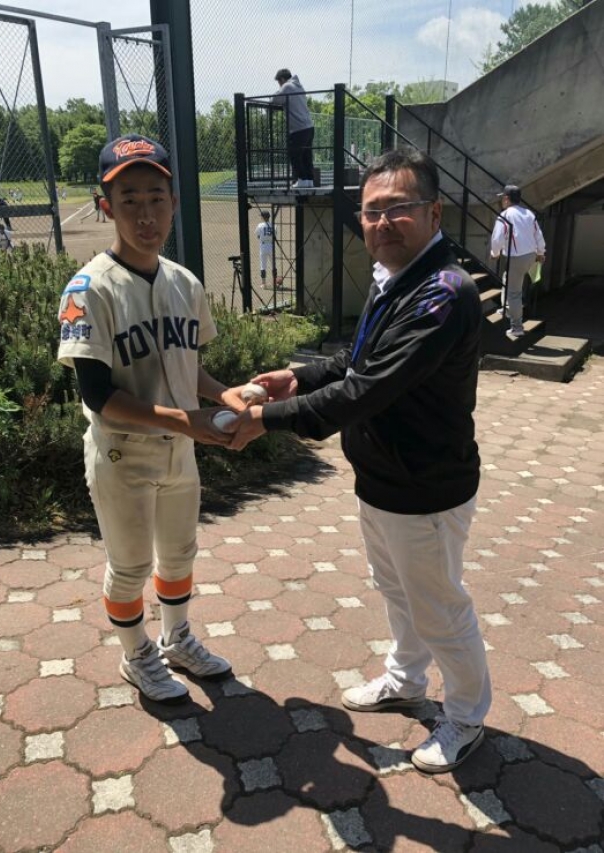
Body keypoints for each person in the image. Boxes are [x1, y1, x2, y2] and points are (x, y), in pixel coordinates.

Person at [226, 148, 492, 774]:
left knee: (439, 608)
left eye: (399, 208)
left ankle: (466, 716)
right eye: (371, 212)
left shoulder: (443, 293)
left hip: (426, 488)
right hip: (383, 480)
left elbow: (365, 391)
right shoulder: (394, 279)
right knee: (397, 591)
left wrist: (266, 419)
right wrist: (297, 376)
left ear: (434, 213)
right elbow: (357, 359)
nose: (382, 223)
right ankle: (406, 679)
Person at [57, 134, 248, 704]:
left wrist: (224, 394)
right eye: (130, 199)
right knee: (131, 565)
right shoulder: (87, 288)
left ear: (174, 203)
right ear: (106, 206)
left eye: (156, 198)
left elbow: (189, 367)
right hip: (123, 454)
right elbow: (98, 395)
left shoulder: (185, 282)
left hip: (179, 450)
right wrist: (188, 419)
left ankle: (177, 637)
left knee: (180, 554)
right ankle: (136, 653)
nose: (146, 214)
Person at [490, 184, 545, 340]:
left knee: (514, 293)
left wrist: (495, 253)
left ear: (507, 199)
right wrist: (541, 252)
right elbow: (538, 234)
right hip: (530, 255)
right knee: (507, 279)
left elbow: (497, 238)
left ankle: (517, 327)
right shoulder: (528, 213)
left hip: (516, 257)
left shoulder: (505, 215)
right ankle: (506, 308)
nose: (501, 201)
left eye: (502, 198)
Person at [273, 69, 315, 189]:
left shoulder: (287, 86)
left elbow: (275, 100)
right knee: (306, 155)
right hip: (309, 127)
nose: (279, 86)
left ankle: (301, 179)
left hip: (298, 128)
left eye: (279, 83)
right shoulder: (299, 86)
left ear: (282, 79)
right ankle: (309, 180)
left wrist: (279, 92)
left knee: (294, 154)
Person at [255, 210, 277, 287]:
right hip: (271, 246)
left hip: (263, 246)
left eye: (261, 216)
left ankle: (263, 283)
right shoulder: (274, 225)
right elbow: (274, 236)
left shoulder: (260, 225)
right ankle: (274, 282)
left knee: (263, 265)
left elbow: (258, 236)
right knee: (273, 265)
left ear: (263, 217)